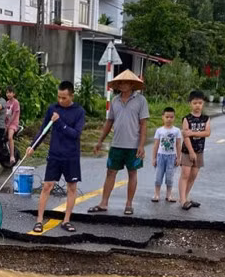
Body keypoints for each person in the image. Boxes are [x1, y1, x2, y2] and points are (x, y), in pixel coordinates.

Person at [88, 69, 149, 217]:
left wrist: (141, 145)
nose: (122, 84)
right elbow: (109, 122)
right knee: (110, 172)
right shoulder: (115, 101)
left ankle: (129, 204)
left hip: (133, 145)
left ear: (132, 84)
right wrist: (100, 141)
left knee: (132, 173)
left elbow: (143, 124)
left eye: (126, 82)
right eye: (120, 82)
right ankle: (103, 202)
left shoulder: (141, 100)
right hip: (116, 144)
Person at [28, 80, 85, 234]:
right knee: (47, 186)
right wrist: (33, 146)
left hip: (71, 155)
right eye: (59, 97)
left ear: (71, 96)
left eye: (64, 98)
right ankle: (39, 220)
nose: (60, 100)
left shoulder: (79, 111)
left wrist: (59, 122)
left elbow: (75, 134)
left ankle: (66, 220)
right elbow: (44, 130)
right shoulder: (52, 109)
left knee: (71, 187)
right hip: (55, 154)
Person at [179, 89, 211, 210]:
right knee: (185, 174)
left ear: (203, 104)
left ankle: (186, 197)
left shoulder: (206, 118)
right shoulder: (187, 119)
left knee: (193, 175)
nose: (197, 105)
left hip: (200, 151)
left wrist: (192, 132)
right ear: (190, 104)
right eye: (195, 103)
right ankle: (182, 200)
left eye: (200, 103)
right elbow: (185, 136)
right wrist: (191, 151)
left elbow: (208, 132)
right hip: (188, 151)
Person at [151, 107, 182, 203]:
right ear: (163, 117)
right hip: (160, 156)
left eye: (171, 117)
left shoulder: (176, 131)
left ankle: (169, 195)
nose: (169, 119)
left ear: (174, 118)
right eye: (167, 117)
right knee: (158, 176)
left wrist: (178, 158)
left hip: (171, 157)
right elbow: (156, 145)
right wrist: (154, 158)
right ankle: (156, 194)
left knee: (170, 177)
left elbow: (178, 144)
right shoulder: (159, 130)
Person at [5, 86, 21, 166]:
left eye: (10, 92)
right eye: (7, 92)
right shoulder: (6, 103)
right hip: (6, 124)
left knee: (10, 137)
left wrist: (7, 125)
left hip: (13, 124)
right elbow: (4, 115)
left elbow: (14, 115)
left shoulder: (16, 102)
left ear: (13, 93)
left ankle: (12, 156)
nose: (8, 94)